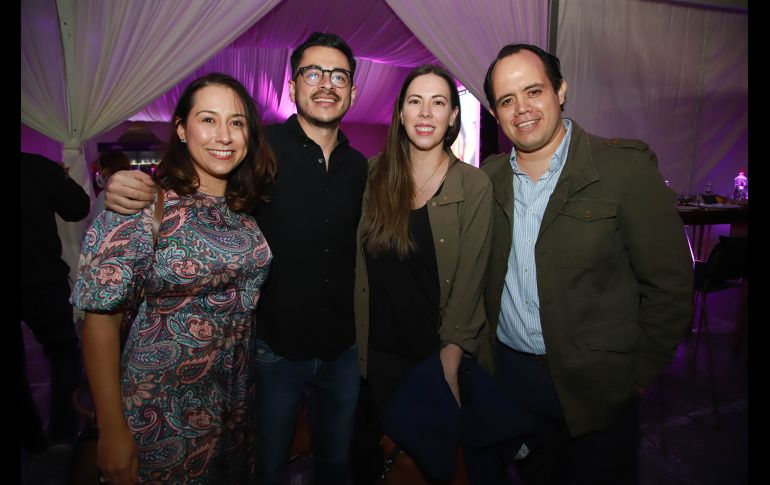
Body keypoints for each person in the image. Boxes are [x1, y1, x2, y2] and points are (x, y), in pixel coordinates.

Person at [101, 33, 368, 485]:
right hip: (272, 351)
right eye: (313, 73)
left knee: (336, 465)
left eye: (338, 75)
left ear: (352, 91)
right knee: (264, 468)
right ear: (292, 86)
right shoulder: (258, 154)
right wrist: (130, 186)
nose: (326, 83)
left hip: (343, 350)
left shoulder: (362, 166)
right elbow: (198, 183)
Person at [479, 43, 693, 484]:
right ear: (497, 115)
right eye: (506, 100)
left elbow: (668, 285)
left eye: (533, 91)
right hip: (514, 382)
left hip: (599, 387)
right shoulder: (489, 179)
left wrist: (635, 377)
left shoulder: (623, 168)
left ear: (560, 90)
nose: (522, 109)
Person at [71, 72, 275, 484]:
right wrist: (111, 430)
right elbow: (99, 318)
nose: (224, 135)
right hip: (159, 408)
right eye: (208, 119)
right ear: (182, 129)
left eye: (236, 122)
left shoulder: (243, 212)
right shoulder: (144, 204)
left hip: (234, 404)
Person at [353, 64, 505, 482]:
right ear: (400, 112)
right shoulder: (372, 175)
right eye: (415, 102)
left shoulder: (473, 186)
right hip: (378, 358)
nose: (425, 113)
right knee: (386, 468)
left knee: (435, 470)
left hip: (435, 361)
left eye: (438, 102)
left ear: (453, 115)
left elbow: (471, 283)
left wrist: (450, 363)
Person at [21, 152, 90, 452]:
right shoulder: (35, 166)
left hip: (42, 280)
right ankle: (63, 434)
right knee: (63, 354)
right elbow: (77, 207)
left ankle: (31, 440)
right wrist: (59, 177)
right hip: (41, 280)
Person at [92, 150, 131, 217]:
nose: (99, 174)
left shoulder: (106, 195)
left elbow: (96, 223)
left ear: (106, 171)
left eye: (99, 170)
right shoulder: (135, 191)